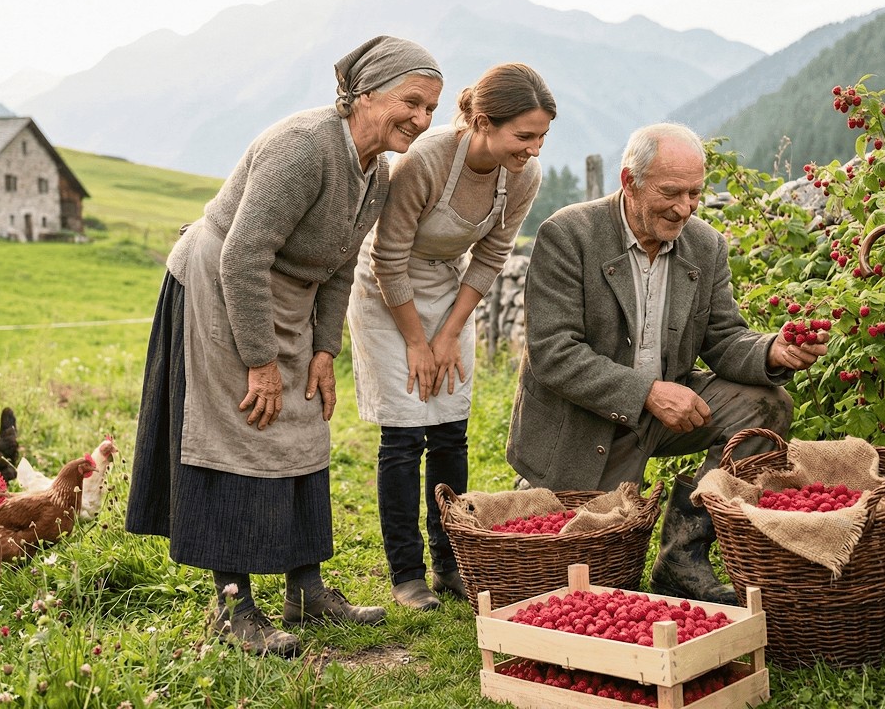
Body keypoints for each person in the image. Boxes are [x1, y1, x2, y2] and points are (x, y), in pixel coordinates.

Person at [125, 35, 443, 656]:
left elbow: (342, 266)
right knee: (239, 429)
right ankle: (233, 608)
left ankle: (306, 589)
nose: (423, 120)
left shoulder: (374, 173)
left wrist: (324, 352)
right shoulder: (304, 147)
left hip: (288, 296)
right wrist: (261, 360)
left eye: (431, 109)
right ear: (365, 94)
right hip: (221, 285)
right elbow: (244, 253)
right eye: (412, 102)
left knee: (304, 425)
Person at [505, 122, 829, 604]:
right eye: (671, 192)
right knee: (590, 585)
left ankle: (682, 556)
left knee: (766, 406)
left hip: (666, 409)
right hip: (585, 420)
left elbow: (723, 338)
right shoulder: (568, 235)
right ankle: (543, 489)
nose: (685, 207)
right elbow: (555, 353)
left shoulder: (705, 245)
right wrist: (648, 393)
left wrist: (770, 351)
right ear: (628, 181)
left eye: (695, 192)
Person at [347, 64, 555, 611]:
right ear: (483, 122)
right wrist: (418, 342)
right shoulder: (428, 161)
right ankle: (406, 573)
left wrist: (449, 334)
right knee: (404, 435)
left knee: (449, 429)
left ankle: (450, 563)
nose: (533, 149)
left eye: (541, 137)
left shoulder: (523, 176)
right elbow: (388, 256)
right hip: (386, 291)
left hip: (445, 286)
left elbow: (489, 256)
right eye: (524, 135)